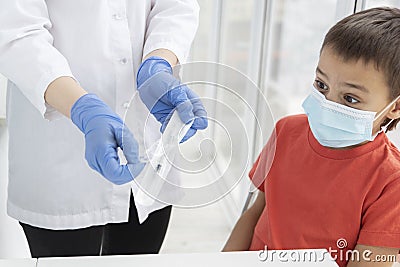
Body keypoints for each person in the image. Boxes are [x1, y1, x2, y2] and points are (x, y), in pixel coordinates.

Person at [0, 0, 207, 258]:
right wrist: (81, 108)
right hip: (60, 155)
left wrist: (158, 62)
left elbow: (176, 5)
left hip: (146, 147)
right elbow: (16, 33)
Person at [222, 7, 400, 267]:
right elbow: (255, 213)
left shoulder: (391, 182)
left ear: (394, 107)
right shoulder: (285, 132)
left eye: (350, 99)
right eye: (322, 85)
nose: (328, 104)